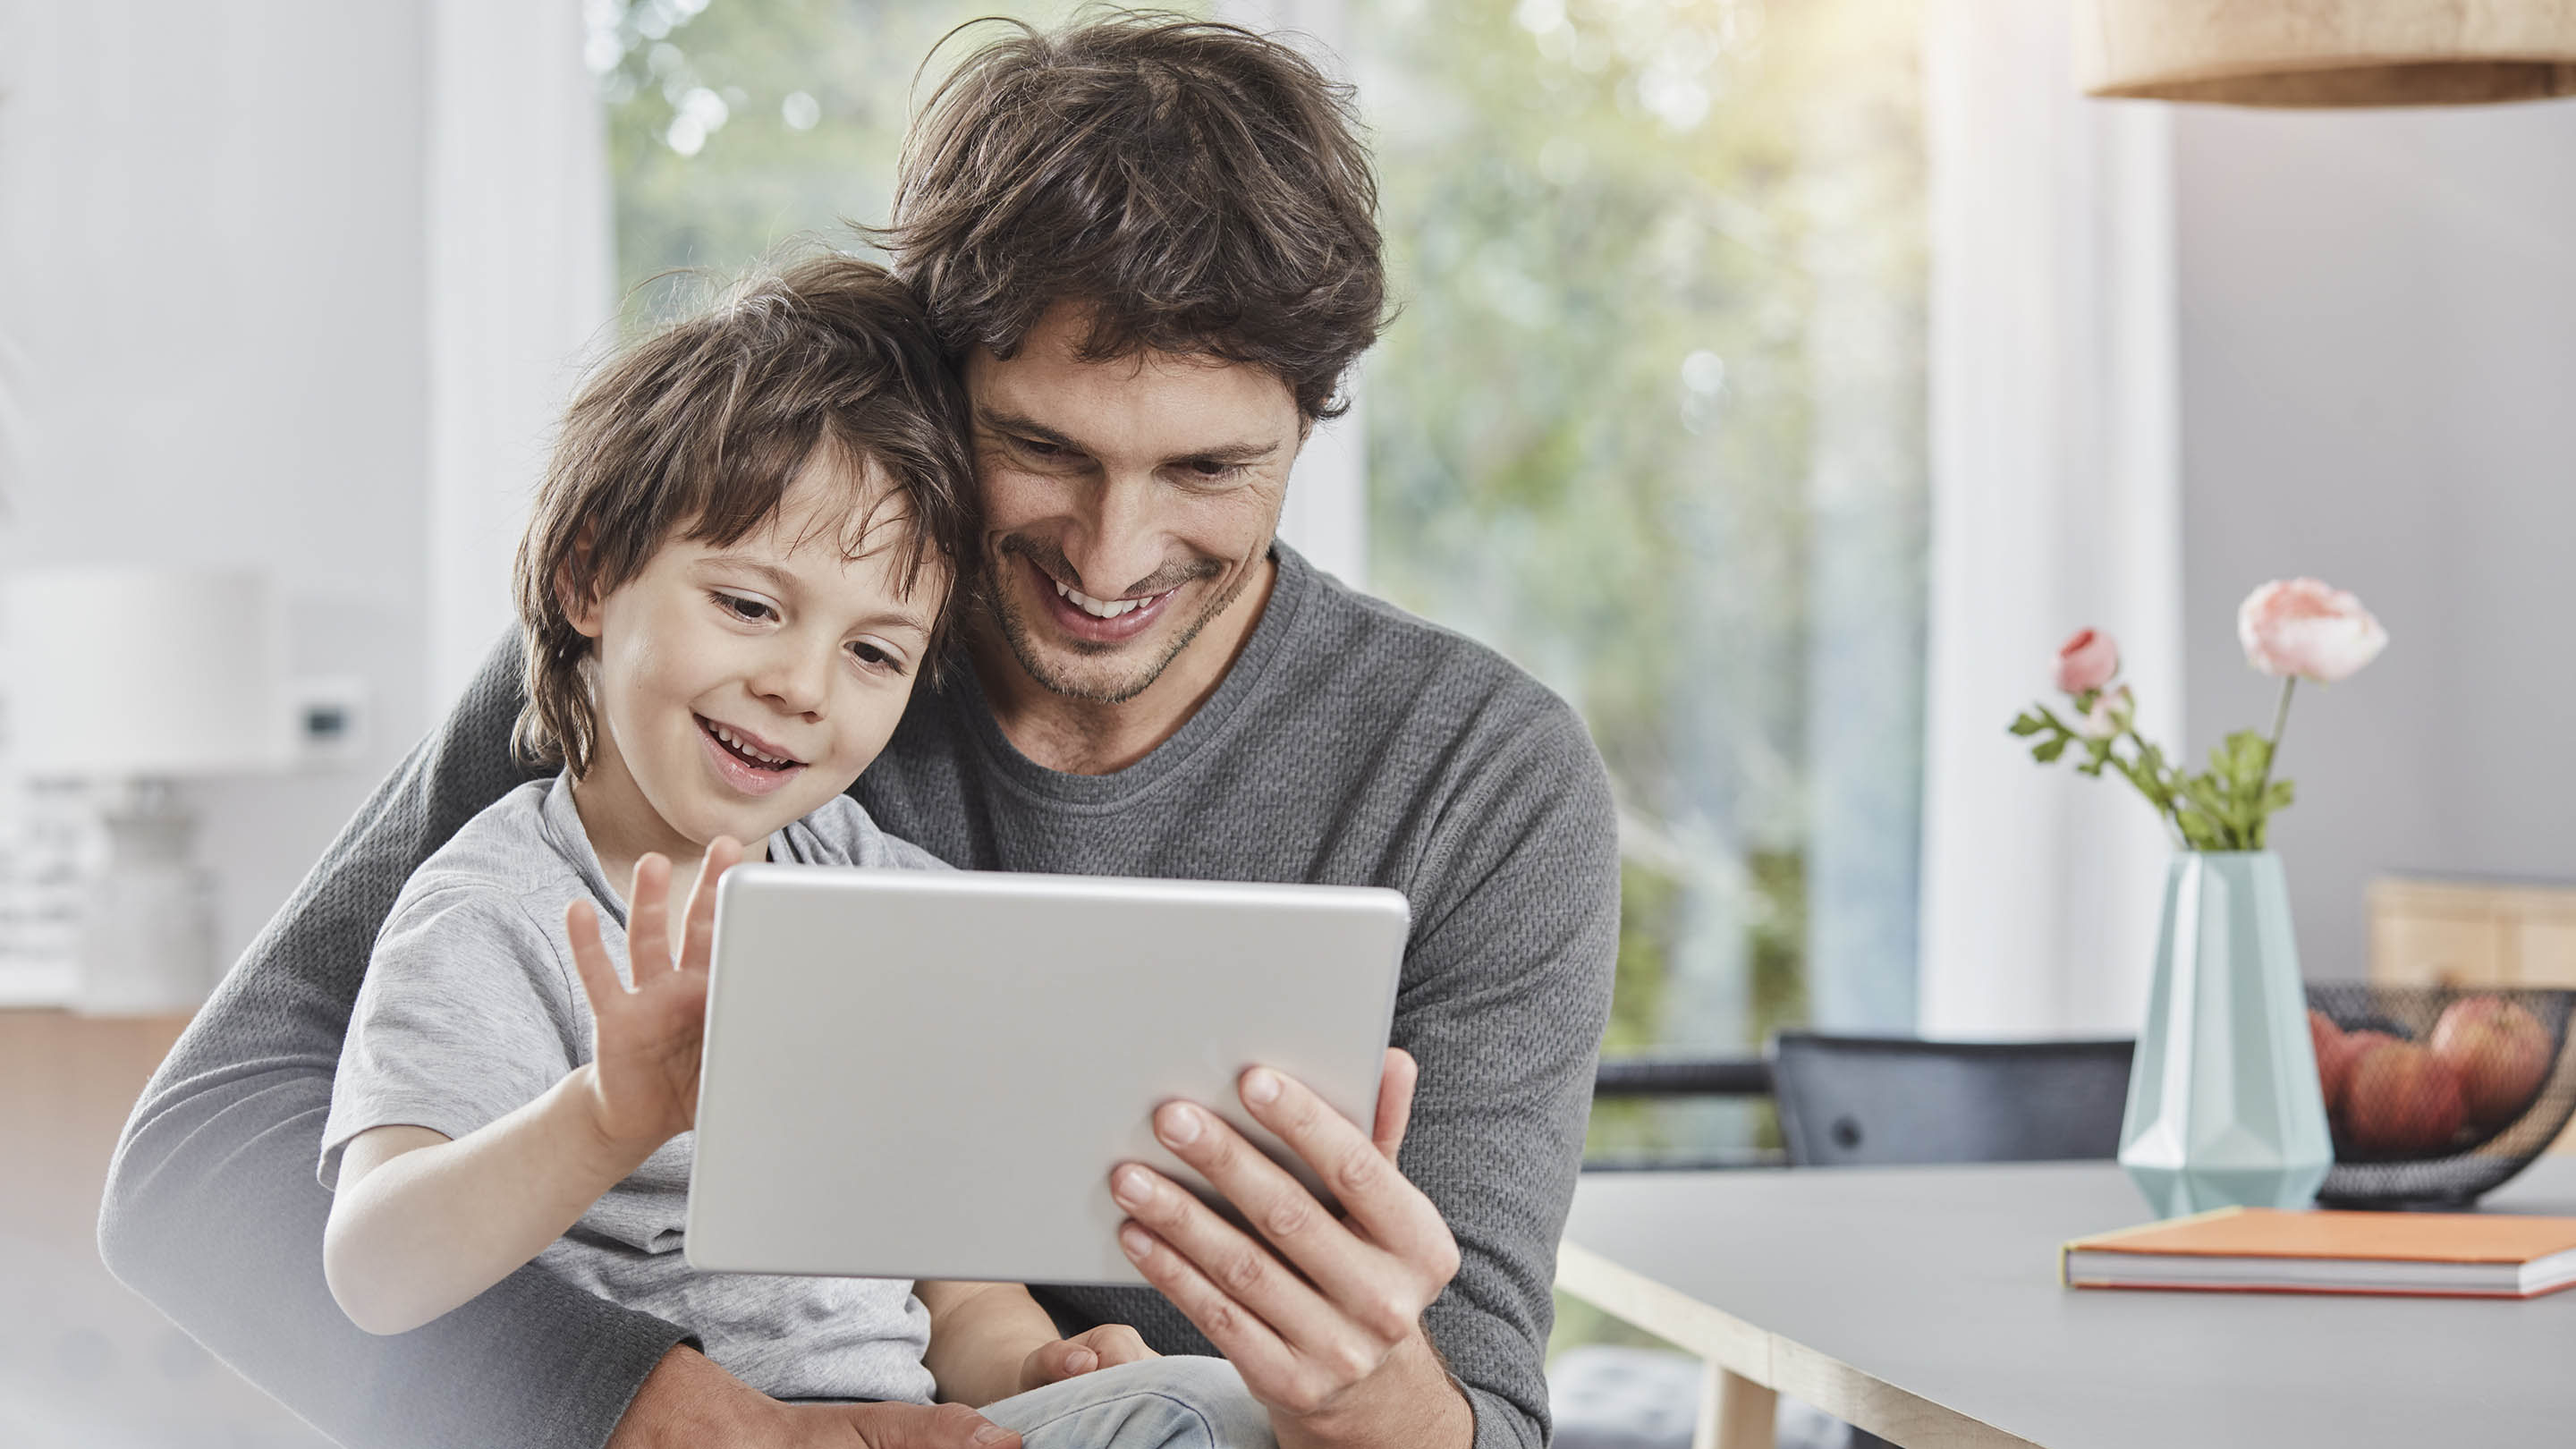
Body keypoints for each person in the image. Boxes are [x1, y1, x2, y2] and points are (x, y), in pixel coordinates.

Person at [101, 14, 1618, 1449]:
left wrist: (1364, 1391)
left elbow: (1477, 1416)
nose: (1111, 556)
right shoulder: (672, 668)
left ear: (1311, 422)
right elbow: (201, 1172)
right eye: (1041, 447)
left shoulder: (1482, 783)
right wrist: (649, 1411)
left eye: (1210, 470)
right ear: (942, 384)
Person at [312, 251, 1271, 1449]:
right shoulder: (495, 914)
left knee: (1213, 1411)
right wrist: (606, 1117)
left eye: (873, 653)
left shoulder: (877, 903)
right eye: (751, 607)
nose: (802, 686)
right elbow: (374, 1269)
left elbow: (959, 1298)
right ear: (588, 576)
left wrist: (1039, 1363)